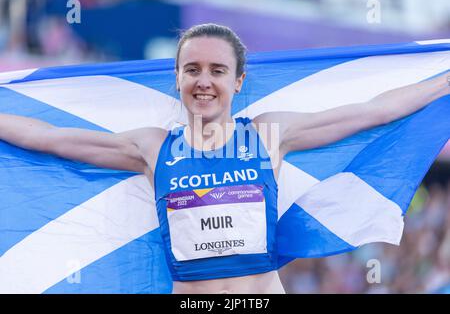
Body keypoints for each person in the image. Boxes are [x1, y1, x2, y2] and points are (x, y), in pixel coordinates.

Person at [0, 23, 449, 294]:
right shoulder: (153, 148)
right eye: (192, 69)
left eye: (218, 70)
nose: (204, 81)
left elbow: (376, 111)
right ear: (176, 77)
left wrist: (442, 81)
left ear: (238, 82)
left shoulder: (271, 134)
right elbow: (49, 137)